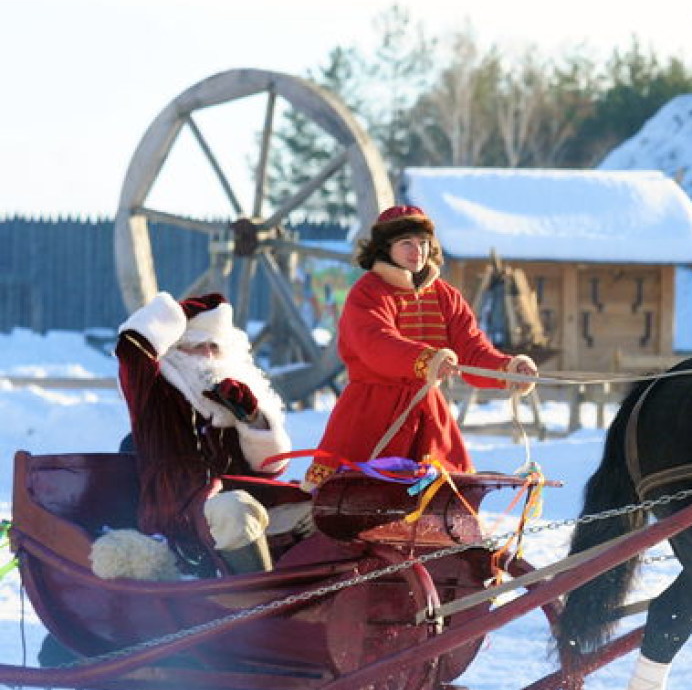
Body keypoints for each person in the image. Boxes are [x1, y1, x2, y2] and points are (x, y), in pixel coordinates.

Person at [303, 204, 538, 492]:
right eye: (407, 244)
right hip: (371, 414)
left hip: (429, 416)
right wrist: (427, 360)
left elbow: (472, 349)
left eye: (423, 243)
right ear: (385, 248)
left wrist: (510, 369)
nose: (418, 251)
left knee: (440, 503)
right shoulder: (368, 292)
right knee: (351, 497)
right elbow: (376, 343)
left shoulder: (445, 296)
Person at [116, 291, 313, 575]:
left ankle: (315, 594)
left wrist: (253, 419)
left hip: (244, 508)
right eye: (196, 346)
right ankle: (260, 600)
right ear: (174, 351)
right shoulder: (157, 394)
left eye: (215, 347)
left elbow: (272, 467)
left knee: (320, 510)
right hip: (179, 512)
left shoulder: (234, 394)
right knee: (234, 509)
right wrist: (180, 313)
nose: (208, 355)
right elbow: (132, 348)